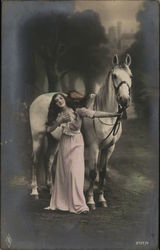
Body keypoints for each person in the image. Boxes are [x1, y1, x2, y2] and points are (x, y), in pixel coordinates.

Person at [45, 92, 119, 214]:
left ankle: (79, 205)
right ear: (55, 104)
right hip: (64, 143)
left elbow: (95, 114)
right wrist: (58, 122)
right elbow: (48, 129)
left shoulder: (78, 111)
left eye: (61, 98)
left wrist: (114, 114)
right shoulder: (57, 114)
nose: (59, 101)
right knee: (64, 173)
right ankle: (64, 202)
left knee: (75, 173)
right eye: (56, 100)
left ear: (65, 99)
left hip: (77, 143)